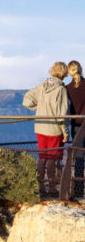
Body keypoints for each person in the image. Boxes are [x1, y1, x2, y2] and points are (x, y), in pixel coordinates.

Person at [24, 61, 70, 191]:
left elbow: (26, 99)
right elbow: (62, 114)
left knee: (42, 157)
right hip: (54, 130)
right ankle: (51, 186)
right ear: (63, 73)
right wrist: (65, 132)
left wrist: (40, 108)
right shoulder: (61, 89)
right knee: (53, 158)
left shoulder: (42, 85)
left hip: (40, 127)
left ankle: (40, 185)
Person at [67, 60, 85, 177]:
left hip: (77, 126)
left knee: (79, 156)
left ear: (69, 72)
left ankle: (78, 188)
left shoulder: (67, 88)